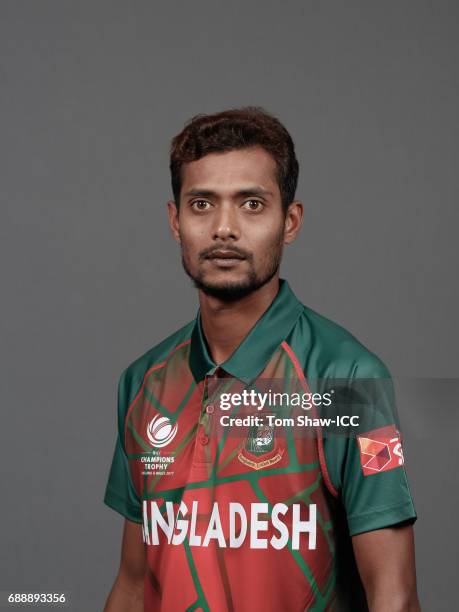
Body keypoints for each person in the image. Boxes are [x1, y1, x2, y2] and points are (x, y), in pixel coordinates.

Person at [103, 107, 420, 611]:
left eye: (251, 203)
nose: (224, 228)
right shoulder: (143, 382)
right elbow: (134, 584)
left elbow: (394, 595)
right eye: (202, 203)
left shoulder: (348, 379)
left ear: (289, 221)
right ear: (174, 220)